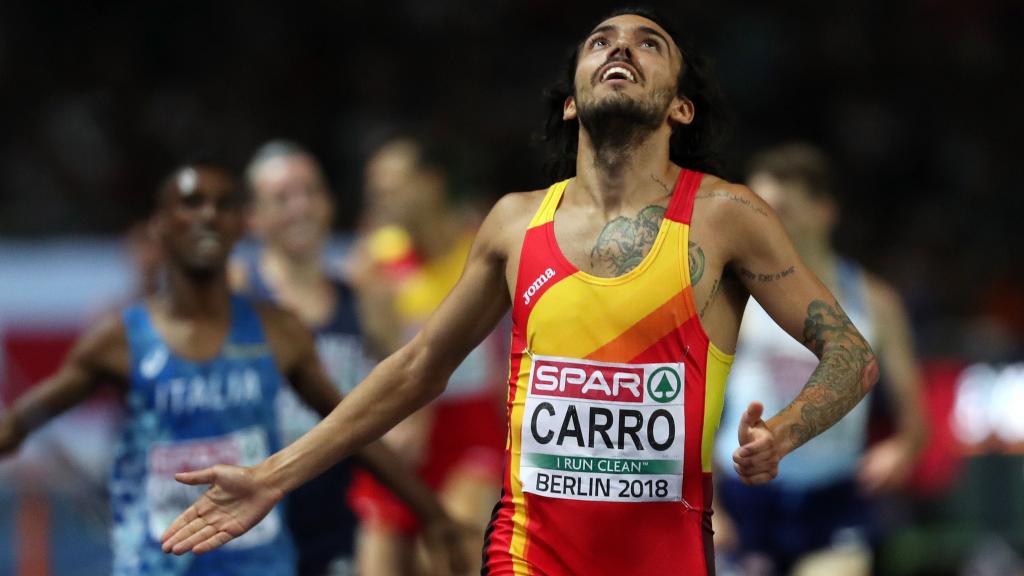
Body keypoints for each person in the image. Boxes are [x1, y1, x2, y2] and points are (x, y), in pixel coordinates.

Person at [160, 9, 880, 575]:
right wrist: (273, 477)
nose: (620, 49)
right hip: (526, 558)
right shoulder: (514, 222)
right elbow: (415, 370)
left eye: (648, 43)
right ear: (571, 101)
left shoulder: (726, 217)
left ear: (680, 109)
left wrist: (783, 433)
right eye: (600, 42)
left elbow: (850, 352)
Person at [0, 161, 465, 576]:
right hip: (155, 560)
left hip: (259, 562)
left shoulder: (278, 331)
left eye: (222, 204)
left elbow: (351, 428)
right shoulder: (121, 338)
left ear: (241, 226)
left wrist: (434, 515)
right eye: (191, 203)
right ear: (160, 229)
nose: (207, 215)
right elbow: (19, 424)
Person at [713, 143, 926, 576]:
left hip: (833, 498)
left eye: (782, 208)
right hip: (745, 497)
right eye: (757, 208)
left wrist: (902, 449)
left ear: (824, 211)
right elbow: (692, 406)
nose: (765, 221)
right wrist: (711, 507)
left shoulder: (874, 301)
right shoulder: (732, 295)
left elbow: (915, 416)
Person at [347, 135, 506, 575]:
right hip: (403, 428)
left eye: (392, 187)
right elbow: (379, 351)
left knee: (452, 551)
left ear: (431, 183)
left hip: (469, 426)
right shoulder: (375, 259)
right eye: (375, 190)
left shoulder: (481, 243)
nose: (382, 200)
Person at [231, 141, 372, 576]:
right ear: (253, 217)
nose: (301, 207)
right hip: (251, 527)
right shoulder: (233, 296)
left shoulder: (362, 297)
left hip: (341, 524)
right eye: (283, 197)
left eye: (311, 192)